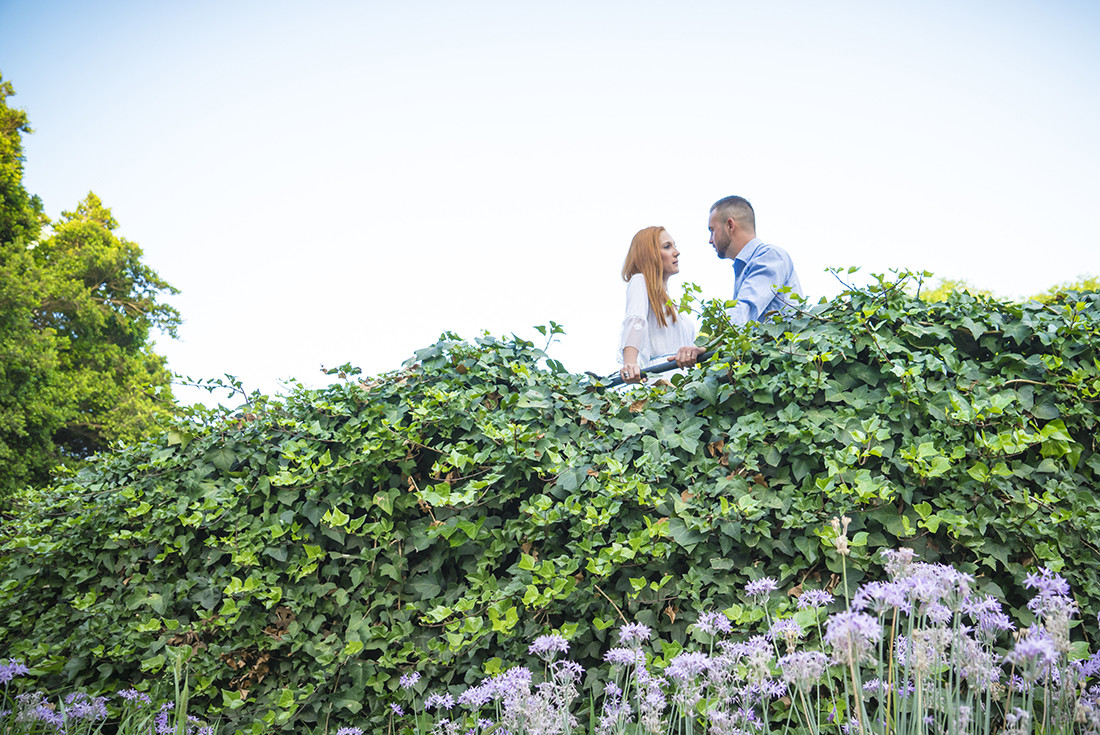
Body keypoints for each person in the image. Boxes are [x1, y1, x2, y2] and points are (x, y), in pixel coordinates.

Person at [618, 226, 706, 384]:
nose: (676, 252)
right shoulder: (640, 281)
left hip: (688, 383)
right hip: (663, 380)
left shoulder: (673, 306)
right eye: (667, 246)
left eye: (674, 245)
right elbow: (635, 320)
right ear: (649, 254)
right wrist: (630, 364)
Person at [708, 196, 803, 325]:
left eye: (712, 230)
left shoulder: (770, 256)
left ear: (730, 225)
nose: (710, 240)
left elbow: (746, 308)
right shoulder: (744, 268)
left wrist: (712, 344)